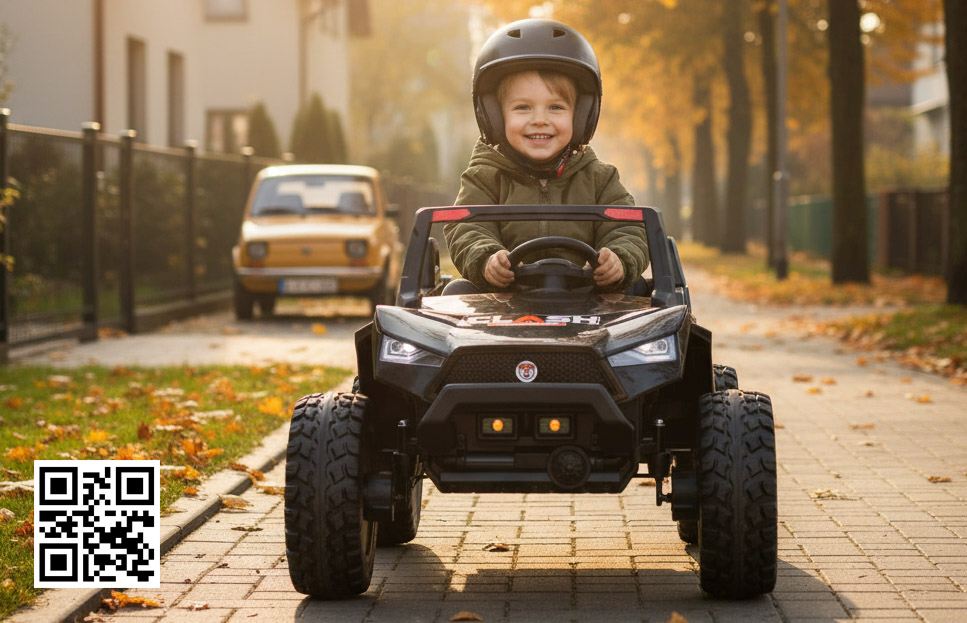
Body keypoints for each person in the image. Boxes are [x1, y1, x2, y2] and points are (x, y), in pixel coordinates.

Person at [443, 18, 648, 295]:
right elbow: (467, 229)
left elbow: (628, 228)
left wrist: (619, 258)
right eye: (523, 108)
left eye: (555, 107)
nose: (540, 120)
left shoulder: (601, 178)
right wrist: (488, 258)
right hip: (503, 301)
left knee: (637, 292)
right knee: (457, 293)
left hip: (589, 301)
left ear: (581, 115)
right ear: (493, 116)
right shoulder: (483, 177)